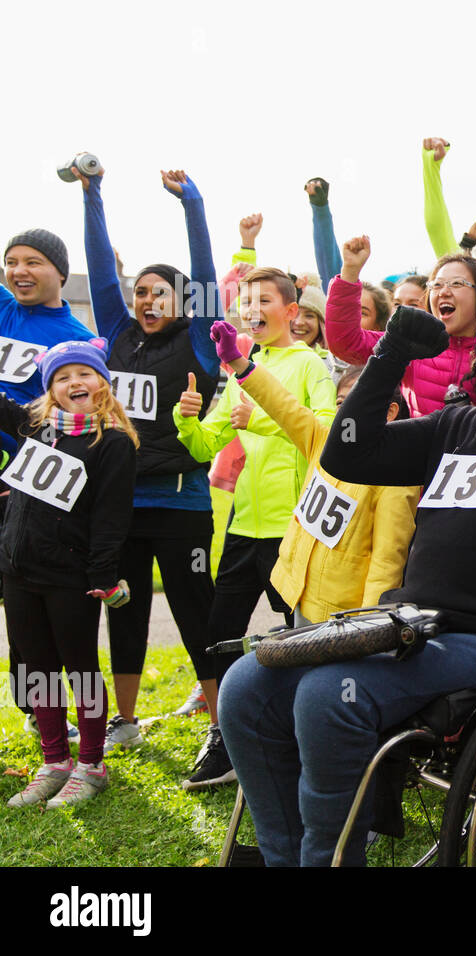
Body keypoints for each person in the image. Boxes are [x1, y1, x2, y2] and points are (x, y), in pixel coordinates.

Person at [219, 283, 476, 865]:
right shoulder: (457, 424)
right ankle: (284, 856)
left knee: (329, 697)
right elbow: (347, 454)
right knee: (245, 687)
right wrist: (389, 354)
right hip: (408, 625)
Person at [75, 162, 222, 753]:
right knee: (126, 612)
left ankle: (219, 725)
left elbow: (208, 275)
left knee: (194, 613)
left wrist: (193, 207)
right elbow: (103, 275)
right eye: (141, 291)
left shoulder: (200, 339)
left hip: (181, 502)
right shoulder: (116, 332)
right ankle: (126, 721)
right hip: (119, 502)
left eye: (160, 291)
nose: (147, 298)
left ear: (182, 300)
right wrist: (93, 195)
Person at [174, 265, 336, 790]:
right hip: (245, 528)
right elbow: (205, 445)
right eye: (245, 300)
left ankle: (300, 736)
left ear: (292, 312)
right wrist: (187, 419)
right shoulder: (242, 368)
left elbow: (325, 433)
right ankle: (224, 735)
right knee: (219, 634)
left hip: (296, 528)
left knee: (302, 638)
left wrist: (259, 417)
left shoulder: (310, 363)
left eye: (263, 299)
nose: (251, 308)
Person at [3, 226, 131, 730]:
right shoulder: (4, 306)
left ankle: (62, 728)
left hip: (39, 498)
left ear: (60, 270)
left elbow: (109, 510)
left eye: (33, 262)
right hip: (17, 508)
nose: (19, 271)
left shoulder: (76, 341)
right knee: (23, 624)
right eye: (11, 261)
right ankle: (38, 713)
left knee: (62, 637)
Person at [207, 324, 419, 624]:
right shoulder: (323, 440)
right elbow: (283, 405)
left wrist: (372, 624)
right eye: (340, 403)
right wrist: (239, 362)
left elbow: (388, 561)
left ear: (390, 412)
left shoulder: (397, 478)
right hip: (297, 593)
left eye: (355, 403)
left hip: (344, 614)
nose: (345, 412)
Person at [3, 340, 138, 808]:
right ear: (50, 389)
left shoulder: (113, 442)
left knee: (80, 671)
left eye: (83, 373)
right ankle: (55, 759)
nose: (73, 382)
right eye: (61, 377)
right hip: (19, 571)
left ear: (102, 381)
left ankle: (92, 764)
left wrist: (102, 573)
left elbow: (112, 516)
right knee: (36, 668)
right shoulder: (36, 429)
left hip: (71, 576)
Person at [325, 237, 476, 415]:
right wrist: (350, 271)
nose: (444, 292)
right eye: (436, 285)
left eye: (457, 284)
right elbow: (346, 342)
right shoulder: (411, 345)